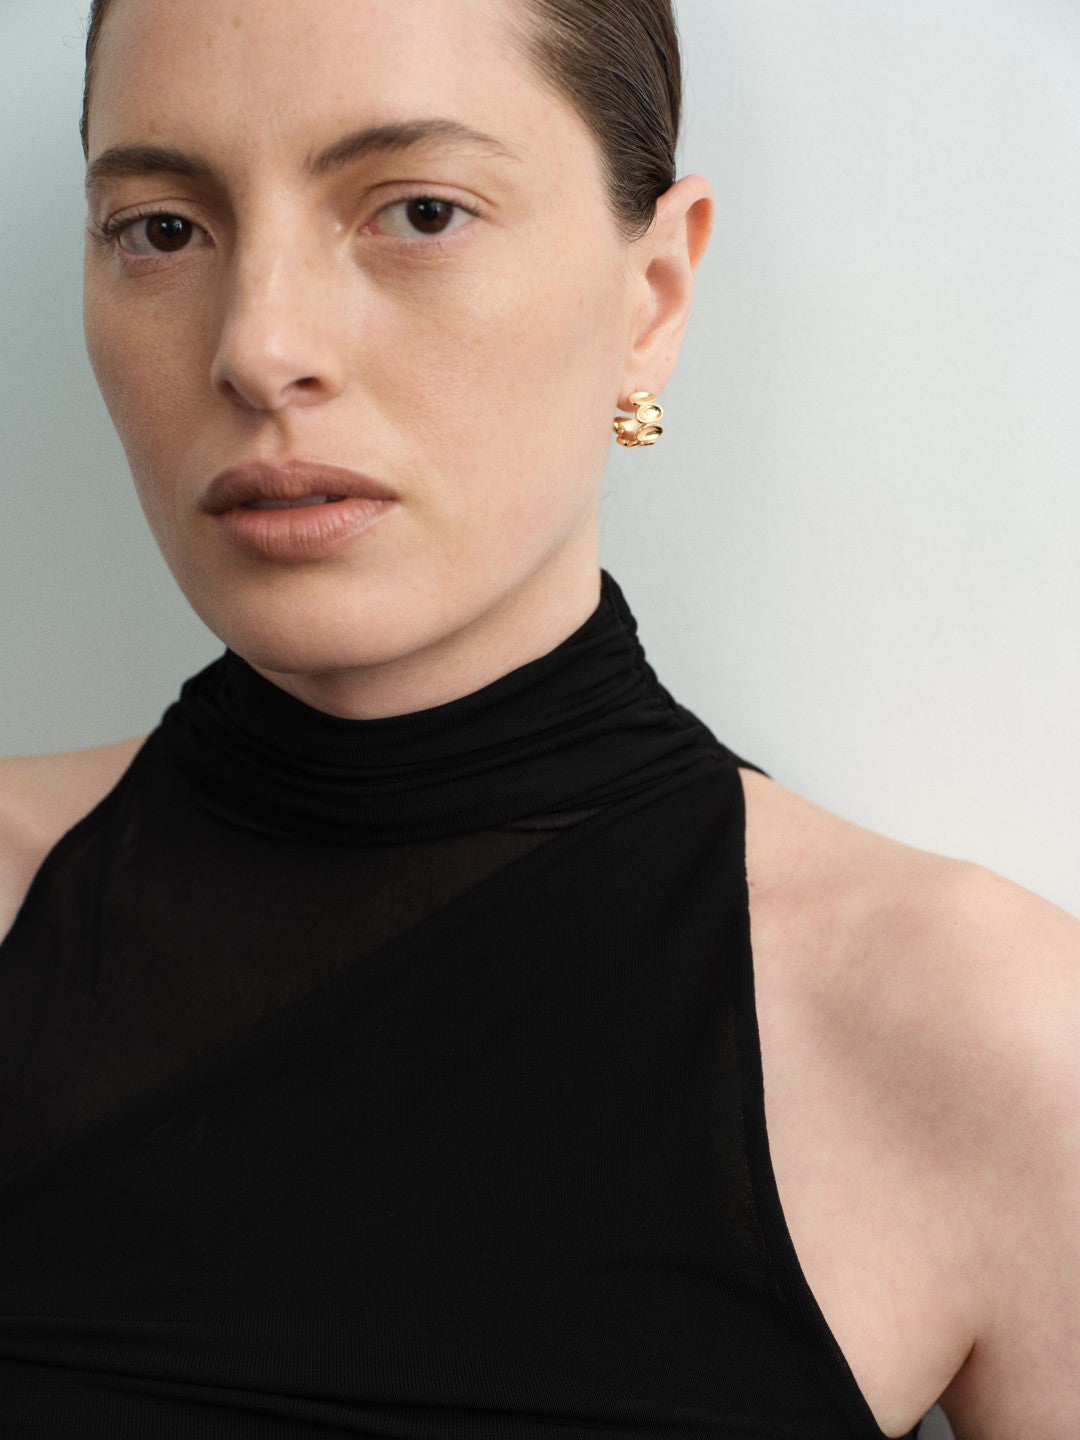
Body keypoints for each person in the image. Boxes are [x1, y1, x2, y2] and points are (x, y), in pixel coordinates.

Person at [0, 1, 1076, 1436]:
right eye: (162, 229)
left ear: (654, 297)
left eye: (421, 211)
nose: (260, 348)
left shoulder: (982, 1033)